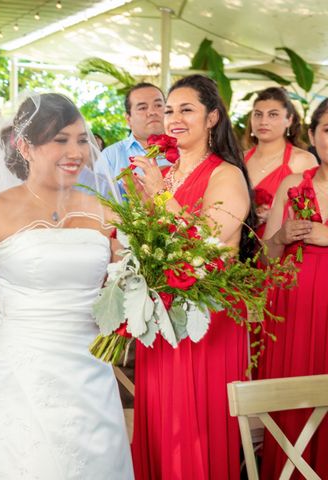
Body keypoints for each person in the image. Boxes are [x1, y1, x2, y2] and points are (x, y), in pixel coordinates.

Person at [0, 93, 133, 479]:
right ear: (25, 146)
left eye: (81, 139)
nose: (75, 151)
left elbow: (129, 283)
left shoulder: (105, 211)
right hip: (17, 370)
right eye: (59, 140)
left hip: (90, 372)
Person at [128, 74, 255, 479]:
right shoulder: (165, 174)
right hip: (162, 314)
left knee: (194, 422)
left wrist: (157, 198)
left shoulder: (226, 174)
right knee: (163, 418)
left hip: (206, 318)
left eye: (186, 110)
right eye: (168, 110)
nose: (173, 118)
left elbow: (209, 239)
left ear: (212, 117)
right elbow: (150, 240)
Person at [259, 99, 328, 479]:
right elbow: (267, 259)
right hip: (293, 318)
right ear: (314, 135)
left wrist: (324, 235)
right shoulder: (291, 185)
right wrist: (282, 235)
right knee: (294, 408)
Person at [244, 87, 317, 237]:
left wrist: (276, 216)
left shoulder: (303, 161)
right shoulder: (239, 159)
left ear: (289, 120)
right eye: (258, 115)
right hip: (237, 248)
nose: (263, 121)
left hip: (281, 251)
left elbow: (315, 213)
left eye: (273, 115)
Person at [95, 82, 166, 188]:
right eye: (142, 108)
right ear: (128, 119)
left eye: (158, 105)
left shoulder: (185, 151)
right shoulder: (110, 156)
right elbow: (95, 198)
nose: (152, 112)